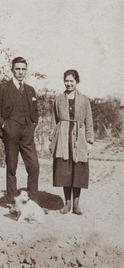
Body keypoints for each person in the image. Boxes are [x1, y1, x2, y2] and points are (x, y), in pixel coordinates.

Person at [0, 57, 40, 203]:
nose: (20, 72)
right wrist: (4, 125)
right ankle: (12, 201)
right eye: (17, 69)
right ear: (12, 70)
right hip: (10, 132)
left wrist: (33, 124)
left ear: (26, 70)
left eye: (23, 69)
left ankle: (33, 201)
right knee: (12, 167)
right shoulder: (4, 88)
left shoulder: (30, 90)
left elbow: (35, 111)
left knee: (34, 166)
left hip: (27, 133)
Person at [49, 70, 94, 215]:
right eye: (66, 81)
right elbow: (54, 121)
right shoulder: (58, 99)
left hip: (79, 138)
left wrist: (89, 141)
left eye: (72, 81)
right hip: (63, 137)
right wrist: (52, 140)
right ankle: (67, 204)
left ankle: (76, 205)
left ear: (77, 82)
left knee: (78, 170)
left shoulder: (85, 100)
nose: (69, 84)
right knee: (64, 171)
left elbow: (89, 121)